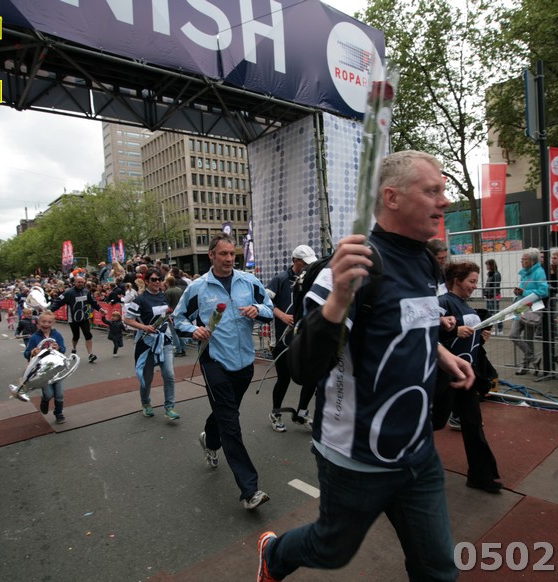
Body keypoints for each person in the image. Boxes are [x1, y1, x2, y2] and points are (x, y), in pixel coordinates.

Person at [257, 150, 474, 581]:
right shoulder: (349, 269)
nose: (445, 200)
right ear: (392, 198)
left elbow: (409, 322)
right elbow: (302, 367)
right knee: (331, 550)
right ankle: (274, 554)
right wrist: (339, 299)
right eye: (432, 190)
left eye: (443, 190)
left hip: (418, 453)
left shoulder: (425, 261)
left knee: (439, 569)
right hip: (355, 458)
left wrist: (440, 351)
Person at [173, 234, 274, 510]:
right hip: (214, 361)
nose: (229, 259)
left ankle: (209, 439)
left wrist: (257, 309)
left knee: (226, 413)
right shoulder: (198, 288)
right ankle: (249, 490)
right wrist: (194, 330)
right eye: (223, 254)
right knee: (230, 422)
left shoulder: (249, 282)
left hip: (244, 363)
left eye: (232, 254)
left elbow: (269, 309)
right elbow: (178, 319)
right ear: (211, 256)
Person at [437, 261, 502, 493]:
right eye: (471, 281)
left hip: (465, 376)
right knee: (431, 423)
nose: (475, 286)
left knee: (473, 424)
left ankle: (480, 476)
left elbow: (466, 340)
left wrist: (480, 338)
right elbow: (427, 333)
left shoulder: (465, 305)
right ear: (457, 280)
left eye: (476, 281)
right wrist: (454, 331)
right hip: (444, 376)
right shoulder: (443, 302)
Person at [265, 244, 319, 432]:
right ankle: (276, 413)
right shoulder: (280, 279)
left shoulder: (312, 279)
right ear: (295, 261)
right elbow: (265, 301)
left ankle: (301, 413)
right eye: (305, 263)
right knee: (284, 378)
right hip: (282, 339)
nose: (308, 267)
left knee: (312, 376)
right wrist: (282, 315)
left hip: (304, 338)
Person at [124, 267, 180, 421]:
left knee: (169, 375)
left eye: (159, 279)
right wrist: (144, 327)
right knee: (147, 378)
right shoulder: (140, 300)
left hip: (165, 341)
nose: (157, 282)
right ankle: (146, 403)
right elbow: (127, 319)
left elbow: (165, 313)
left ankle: (170, 407)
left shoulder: (164, 296)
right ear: (147, 281)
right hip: (147, 343)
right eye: (153, 279)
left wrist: (168, 318)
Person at [24, 311, 68, 424]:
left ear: (53, 322)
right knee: (49, 394)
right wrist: (33, 352)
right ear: (38, 322)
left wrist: (59, 348)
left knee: (59, 394)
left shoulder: (57, 335)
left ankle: (58, 413)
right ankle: (45, 400)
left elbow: (63, 349)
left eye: (49, 322)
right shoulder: (34, 337)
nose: (46, 324)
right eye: (43, 321)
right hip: (42, 371)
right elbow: (26, 353)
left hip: (57, 368)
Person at [510, 248, 549, 375]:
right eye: (522, 259)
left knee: (528, 339)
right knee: (513, 334)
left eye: (524, 259)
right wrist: (519, 292)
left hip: (532, 308)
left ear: (532, 261)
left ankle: (525, 366)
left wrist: (524, 292)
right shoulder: (525, 273)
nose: (522, 261)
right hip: (521, 307)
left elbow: (544, 291)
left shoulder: (539, 272)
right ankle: (534, 359)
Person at [48, 276, 104, 364]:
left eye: (82, 282)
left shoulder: (86, 292)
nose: (80, 283)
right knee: (76, 336)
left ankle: (90, 354)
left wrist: (100, 309)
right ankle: (74, 349)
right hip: (73, 319)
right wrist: (50, 310)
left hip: (84, 317)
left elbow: (93, 302)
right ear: (75, 282)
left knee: (88, 335)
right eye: (79, 282)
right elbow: (58, 302)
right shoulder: (69, 292)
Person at [162, 276, 186, 356]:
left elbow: (166, 304)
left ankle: (178, 349)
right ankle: (183, 348)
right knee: (179, 330)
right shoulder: (179, 290)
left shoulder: (168, 292)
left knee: (174, 332)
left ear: (168, 282)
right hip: (180, 312)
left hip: (172, 313)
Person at [483, 258, 502, 334]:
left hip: (493, 296)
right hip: (489, 296)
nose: (486, 266)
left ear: (491, 265)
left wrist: (489, 293)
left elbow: (495, 286)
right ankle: (493, 328)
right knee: (490, 313)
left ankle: (500, 329)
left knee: (496, 313)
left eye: (487, 265)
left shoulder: (496, 274)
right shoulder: (490, 274)